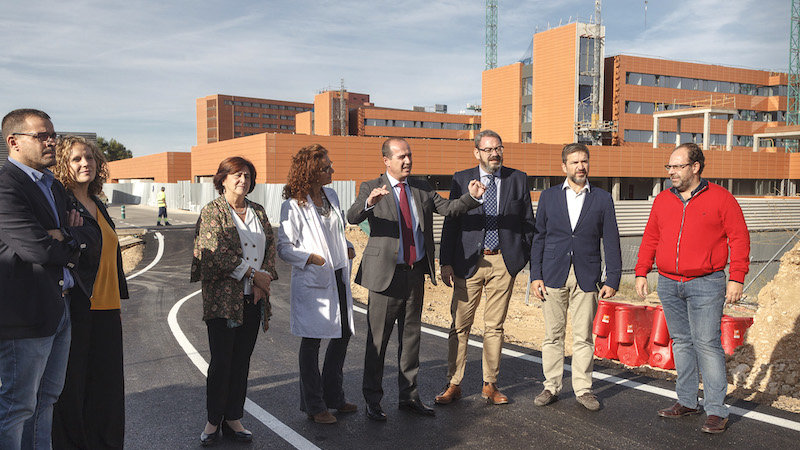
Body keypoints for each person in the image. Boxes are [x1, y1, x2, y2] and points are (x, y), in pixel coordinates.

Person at [346, 137, 485, 421]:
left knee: (411, 340)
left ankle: (409, 397)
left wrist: (471, 198)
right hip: (385, 277)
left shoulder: (422, 187)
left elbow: (449, 209)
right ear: (386, 160)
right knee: (378, 342)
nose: (407, 161)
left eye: (409, 155)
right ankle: (373, 400)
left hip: (414, 274)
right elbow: (352, 216)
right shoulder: (371, 186)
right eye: (401, 157)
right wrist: (370, 203)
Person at [635, 143, 750, 434]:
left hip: (706, 283)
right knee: (682, 342)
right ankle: (687, 401)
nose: (671, 172)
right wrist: (641, 271)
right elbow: (651, 237)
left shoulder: (722, 198)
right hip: (668, 282)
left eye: (677, 166)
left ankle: (716, 410)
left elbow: (739, 238)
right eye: (669, 167)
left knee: (707, 344)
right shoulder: (663, 200)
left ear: (695, 167)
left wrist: (736, 277)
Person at [0, 109, 97, 448]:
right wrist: (68, 242)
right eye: (42, 136)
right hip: (25, 316)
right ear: (14, 142)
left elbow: (86, 234)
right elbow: (38, 249)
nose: (51, 141)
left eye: (53, 135)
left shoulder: (53, 185)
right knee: (17, 407)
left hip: (60, 308)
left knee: (46, 400)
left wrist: (64, 236)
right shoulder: (5, 185)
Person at [435, 130, 535, 406]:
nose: (494, 154)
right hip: (468, 261)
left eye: (498, 148)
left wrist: (519, 258)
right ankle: (454, 383)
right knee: (460, 325)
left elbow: (528, 221)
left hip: (503, 262)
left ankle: (490, 384)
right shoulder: (461, 178)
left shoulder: (517, 178)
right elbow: (451, 221)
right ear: (476, 152)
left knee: (495, 326)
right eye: (488, 149)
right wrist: (446, 261)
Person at [190, 156, 279, 445]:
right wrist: (253, 275)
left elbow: (270, 247)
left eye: (247, 176)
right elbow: (213, 252)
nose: (243, 180)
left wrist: (263, 280)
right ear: (223, 179)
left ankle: (233, 418)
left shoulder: (258, 211)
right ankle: (213, 420)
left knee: (241, 361)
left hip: (253, 298)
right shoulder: (213, 211)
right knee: (222, 361)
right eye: (237, 174)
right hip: (223, 301)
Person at [530, 143, 621, 412]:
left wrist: (613, 278)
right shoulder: (548, 197)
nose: (581, 167)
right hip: (552, 275)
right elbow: (539, 238)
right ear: (564, 167)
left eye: (584, 161)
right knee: (553, 336)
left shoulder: (602, 198)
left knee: (583, 337)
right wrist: (535, 275)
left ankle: (583, 389)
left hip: (587, 275)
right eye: (574, 162)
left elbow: (611, 239)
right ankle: (551, 386)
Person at [51, 136, 129, 448]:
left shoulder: (98, 204)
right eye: (76, 159)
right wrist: (69, 233)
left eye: (90, 157)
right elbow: (57, 246)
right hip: (77, 306)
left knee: (107, 390)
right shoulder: (61, 204)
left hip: (108, 309)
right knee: (73, 389)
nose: (85, 163)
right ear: (63, 165)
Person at [277, 144, 357, 425]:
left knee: (342, 334)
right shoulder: (293, 205)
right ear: (310, 172)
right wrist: (310, 258)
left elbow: (336, 233)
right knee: (312, 342)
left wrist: (346, 245)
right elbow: (284, 248)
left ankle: (334, 396)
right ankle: (314, 405)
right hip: (314, 278)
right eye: (326, 167)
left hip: (338, 274)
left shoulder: (331, 196)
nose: (332, 170)